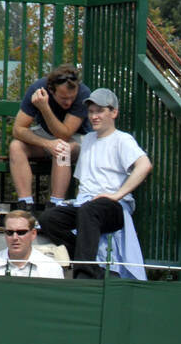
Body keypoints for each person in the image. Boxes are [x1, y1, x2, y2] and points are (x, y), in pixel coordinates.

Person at [39, 90, 150, 280]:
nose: (94, 116)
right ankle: (89, 264)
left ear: (113, 112)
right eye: (91, 111)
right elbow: (78, 159)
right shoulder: (88, 139)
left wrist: (116, 195)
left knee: (88, 211)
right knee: (49, 218)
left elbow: (144, 165)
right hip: (86, 204)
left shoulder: (122, 139)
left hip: (113, 207)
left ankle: (83, 273)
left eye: (99, 111)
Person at [9, 64, 90, 209]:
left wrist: (44, 108)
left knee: (62, 148)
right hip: (47, 136)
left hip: (77, 139)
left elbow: (64, 134)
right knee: (16, 146)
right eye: (63, 98)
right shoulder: (38, 89)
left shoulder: (83, 93)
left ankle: (55, 204)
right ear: (51, 91)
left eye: (72, 97)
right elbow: (18, 129)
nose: (68, 102)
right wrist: (47, 144)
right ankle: (25, 204)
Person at [0, 210, 64, 278]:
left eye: (21, 232)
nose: (15, 237)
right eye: (10, 232)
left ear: (33, 234)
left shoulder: (51, 268)